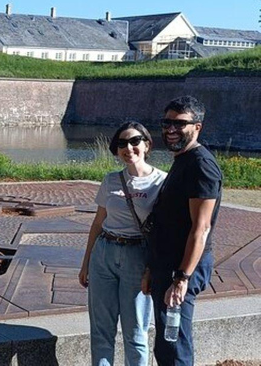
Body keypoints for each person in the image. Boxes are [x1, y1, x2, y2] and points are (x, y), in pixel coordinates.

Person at [79, 121, 166, 366]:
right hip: (104, 253)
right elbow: (98, 223)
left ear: (147, 144)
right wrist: (86, 263)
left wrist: (152, 268)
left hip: (137, 256)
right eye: (121, 144)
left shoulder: (161, 182)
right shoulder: (110, 180)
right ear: (116, 150)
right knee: (100, 330)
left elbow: (164, 231)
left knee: (136, 331)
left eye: (134, 141)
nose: (128, 147)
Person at [144, 96, 222, 365]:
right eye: (166, 122)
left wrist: (181, 278)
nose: (170, 129)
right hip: (167, 265)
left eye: (179, 123)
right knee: (167, 344)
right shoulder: (184, 159)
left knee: (174, 344)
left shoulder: (201, 166)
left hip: (181, 268)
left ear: (197, 127)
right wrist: (153, 268)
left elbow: (200, 229)